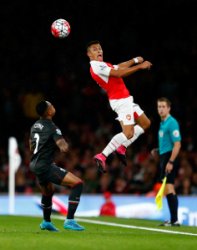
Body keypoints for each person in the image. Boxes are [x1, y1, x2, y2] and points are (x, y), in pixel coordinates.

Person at [86, 40, 152, 173]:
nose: (99, 50)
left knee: (145, 123)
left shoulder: (102, 65)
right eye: (94, 49)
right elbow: (119, 73)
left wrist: (134, 60)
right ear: (89, 54)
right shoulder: (95, 66)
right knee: (128, 133)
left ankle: (121, 148)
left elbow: (118, 67)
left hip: (126, 99)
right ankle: (102, 155)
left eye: (100, 48)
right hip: (120, 101)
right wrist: (140, 66)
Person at [29, 100, 85, 231]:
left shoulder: (35, 125)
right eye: (52, 106)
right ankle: (70, 221)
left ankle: (46, 222)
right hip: (45, 165)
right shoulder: (52, 127)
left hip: (34, 164)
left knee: (48, 191)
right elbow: (62, 145)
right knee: (77, 184)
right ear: (49, 112)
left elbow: (31, 145)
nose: (54, 107)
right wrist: (64, 146)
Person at [151, 97, 181, 226]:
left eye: (163, 106)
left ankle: (175, 220)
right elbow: (167, 142)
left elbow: (177, 144)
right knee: (169, 188)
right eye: (159, 107)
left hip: (170, 157)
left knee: (169, 186)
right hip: (164, 156)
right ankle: (174, 219)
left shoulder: (172, 122)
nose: (161, 109)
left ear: (169, 108)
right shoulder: (162, 123)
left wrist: (171, 162)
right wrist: (158, 150)